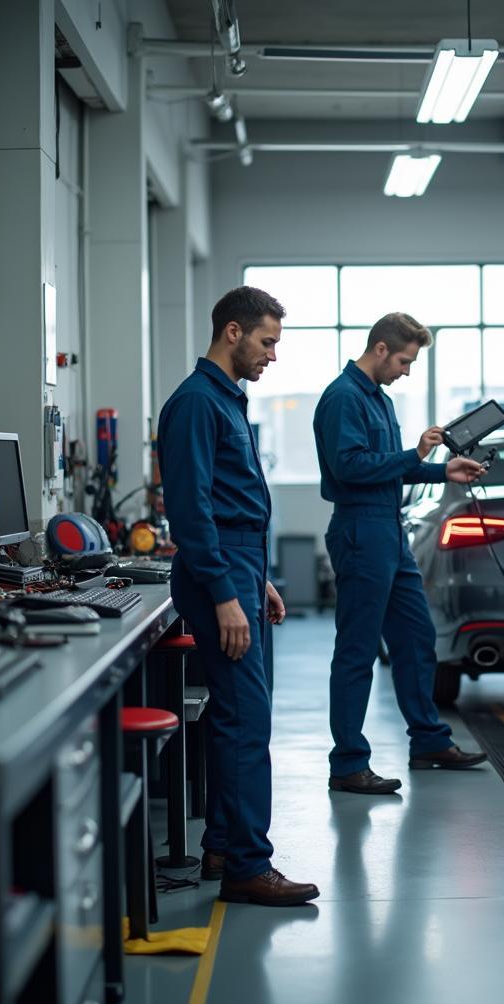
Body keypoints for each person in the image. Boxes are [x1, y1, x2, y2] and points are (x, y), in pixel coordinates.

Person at [158, 285, 319, 906]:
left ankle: (223, 843)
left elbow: (229, 502)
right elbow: (192, 511)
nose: (272, 355)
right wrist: (227, 594)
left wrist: (258, 580)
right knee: (247, 721)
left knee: (238, 714)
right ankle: (249, 866)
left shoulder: (226, 400)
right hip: (217, 571)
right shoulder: (198, 403)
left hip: (241, 567)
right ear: (233, 332)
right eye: (267, 341)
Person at [313, 312, 489, 795]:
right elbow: (350, 468)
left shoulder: (380, 400)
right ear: (382, 348)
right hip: (359, 529)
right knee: (357, 650)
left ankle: (428, 740)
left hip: (390, 531)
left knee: (416, 637)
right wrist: (414, 455)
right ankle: (348, 762)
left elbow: (388, 469)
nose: (407, 371)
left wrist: (442, 471)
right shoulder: (343, 398)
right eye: (406, 361)